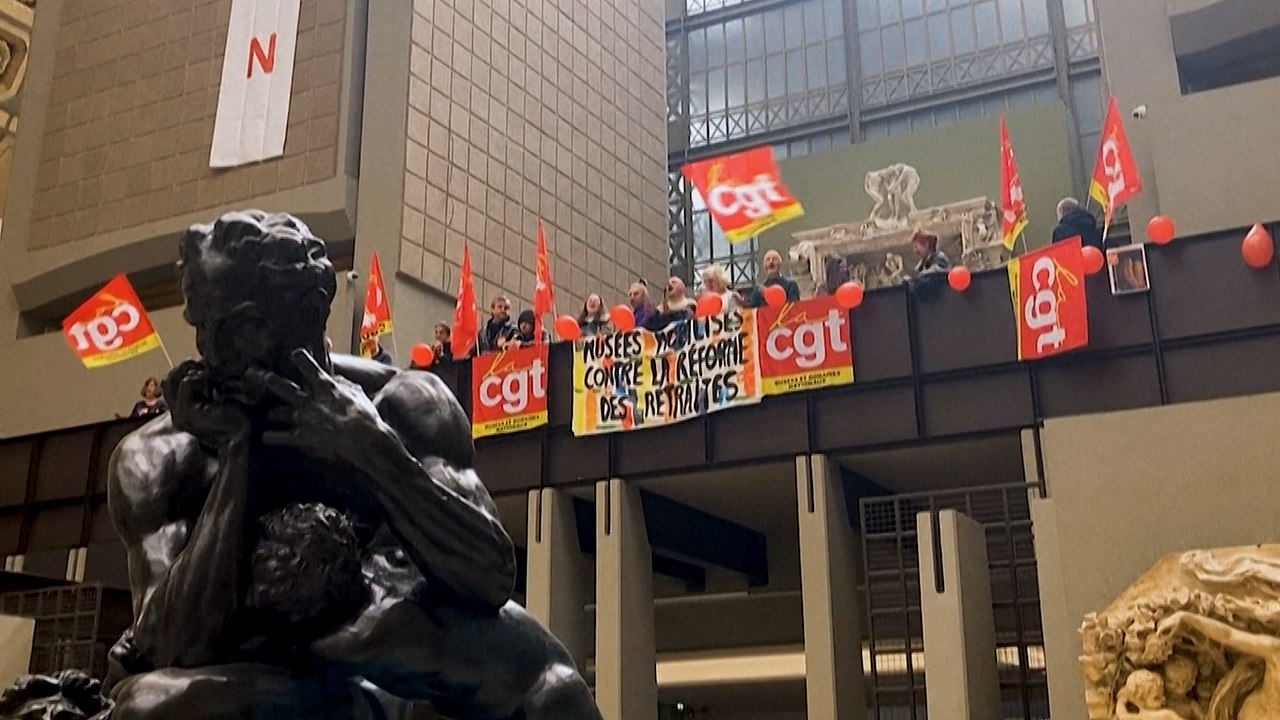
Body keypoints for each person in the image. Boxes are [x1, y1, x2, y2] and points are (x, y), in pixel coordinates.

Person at [99, 211, 600, 720]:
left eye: (237, 327)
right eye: (200, 326)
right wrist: (236, 456)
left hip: (401, 684)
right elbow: (174, 647)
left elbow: (489, 578)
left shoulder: (403, 404)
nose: (210, 351)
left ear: (310, 310)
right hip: (263, 687)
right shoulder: (160, 456)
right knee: (151, 706)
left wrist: (372, 451)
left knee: (552, 689)